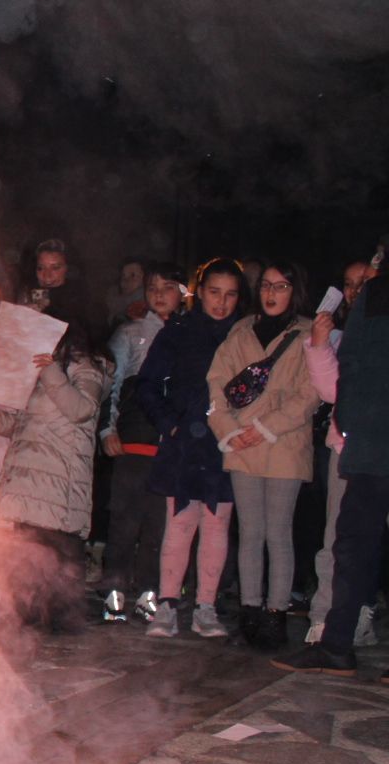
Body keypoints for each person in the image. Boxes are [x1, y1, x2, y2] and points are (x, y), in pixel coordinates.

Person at [276, 263, 389, 676]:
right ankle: (337, 642)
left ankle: (339, 642)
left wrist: (353, 424)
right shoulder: (373, 299)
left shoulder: (375, 298)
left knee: (354, 545)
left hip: (371, 442)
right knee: (351, 546)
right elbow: (349, 373)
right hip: (370, 443)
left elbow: (356, 370)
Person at [207, 261, 318, 650]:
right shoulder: (241, 331)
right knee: (250, 533)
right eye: (267, 286)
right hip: (243, 445)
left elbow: (310, 394)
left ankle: (275, 617)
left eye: (282, 286)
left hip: (284, 445)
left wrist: (267, 426)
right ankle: (250, 614)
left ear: (295, 290)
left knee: (278, 533)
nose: (272, 294)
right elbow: (216, 385)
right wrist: (229, 432)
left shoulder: (307, 333)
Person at [136, 259, 243, 639]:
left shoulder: (244, 334)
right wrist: (170, 423)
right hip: (184, 444)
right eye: (214, 292)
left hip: (226, 446)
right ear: (200, 293)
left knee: (217, 525)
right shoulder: (179, 331)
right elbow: (146, 384)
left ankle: (206, 607)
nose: (221, 302)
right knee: (180, 523)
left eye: (230, 295)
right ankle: (167, 605)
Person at [0, 321, 108, 634]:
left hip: (58, 484)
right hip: (31, 484)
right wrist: (2, 422)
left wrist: (51, 371)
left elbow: (80, 409)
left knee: (58, 555)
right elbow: (36, 421)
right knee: (27, 555)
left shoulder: (85, 367)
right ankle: (26, 618)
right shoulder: (45, 371)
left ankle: (62, 623)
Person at [97, 261, 186, 622]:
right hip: (133, 440)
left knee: (158, 524)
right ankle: (114, 590)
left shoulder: (190, 334)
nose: (159, 294)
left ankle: (150, 590)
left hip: (171, 446)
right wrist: (107, 429)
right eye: (152, 288)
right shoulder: (130, 333)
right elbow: (111, 385)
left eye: (168, 287)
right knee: (124, 519)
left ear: (182, 293)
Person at [305, 258, 379, 642]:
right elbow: (333, 390)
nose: (355, 290)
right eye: (349, 283)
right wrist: (318, 345)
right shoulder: (340, 333)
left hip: (377, 447)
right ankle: (326, 617)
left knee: (368, 540)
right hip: (347, 446)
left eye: (364, 281)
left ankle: (361, 614)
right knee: (338, 538)